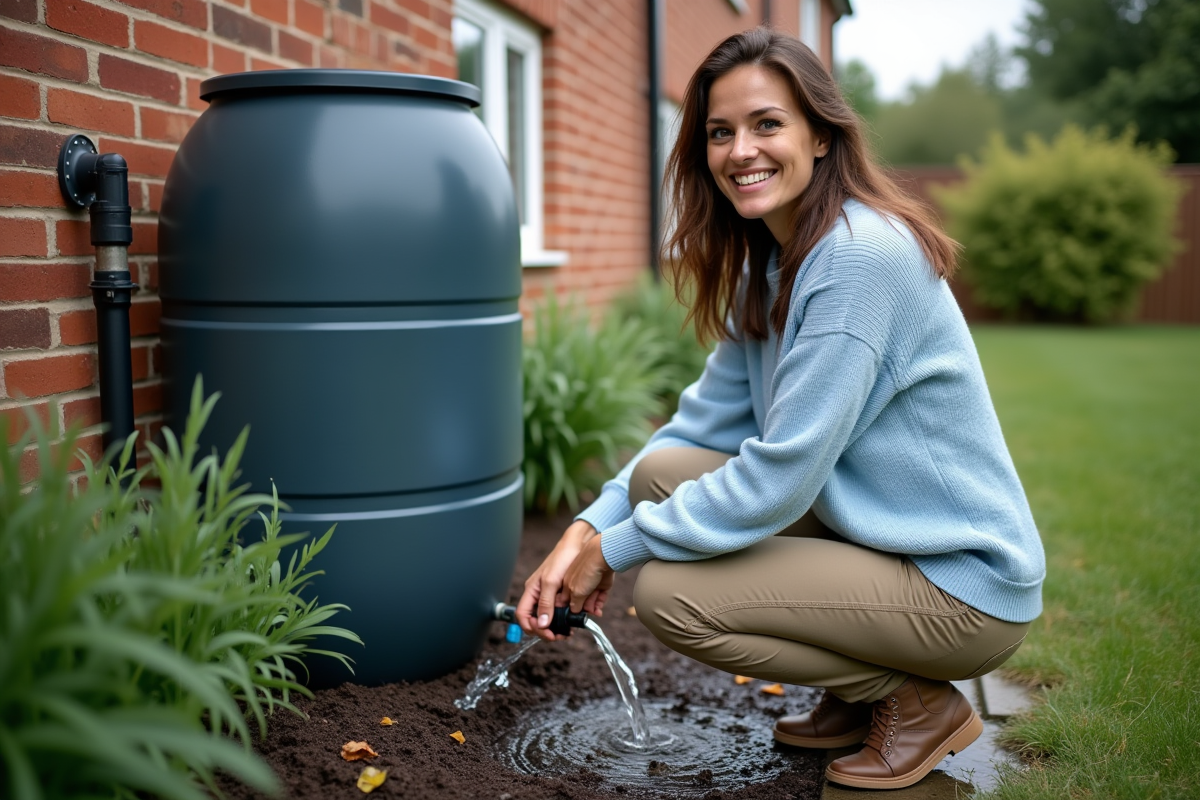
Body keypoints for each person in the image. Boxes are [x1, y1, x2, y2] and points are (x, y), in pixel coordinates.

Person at [516, 27, 1044, 791]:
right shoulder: (772, 262)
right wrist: (588, 525)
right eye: (720, 132)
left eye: (767, 124)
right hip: (883, 538)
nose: (741, 151)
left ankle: (906, 697)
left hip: (960, 583)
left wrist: (616, 552)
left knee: (672, 596)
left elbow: (782, 476)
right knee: (660, 472)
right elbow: (698, 426)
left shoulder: (861, 258)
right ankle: (856, 690)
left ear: (822, 135)